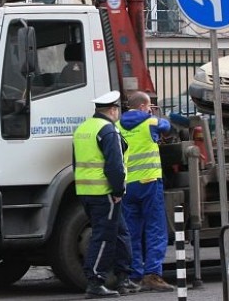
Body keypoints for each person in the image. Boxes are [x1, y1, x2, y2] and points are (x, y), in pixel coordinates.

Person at [72, 90, 140, 298]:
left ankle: (123, 278)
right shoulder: (108, 130)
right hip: (105, 192)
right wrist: (117, 190)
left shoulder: (83, 128)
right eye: (117, 109)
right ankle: (95, 281)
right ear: (113, 110)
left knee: (120, 233)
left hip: (85, 190)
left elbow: (75, 162)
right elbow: (115, 166)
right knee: (104, 237)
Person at [117, 91, 175, 292]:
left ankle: (134, 275)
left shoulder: (117, 125)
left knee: (131, 231)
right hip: (149, 182)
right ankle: (152, 274)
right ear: (143, 106)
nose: (150, 109)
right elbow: (167, 126)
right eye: (149, 106)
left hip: (127, 185)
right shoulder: (150, 122)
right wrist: (154, 117)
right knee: (155, 229)